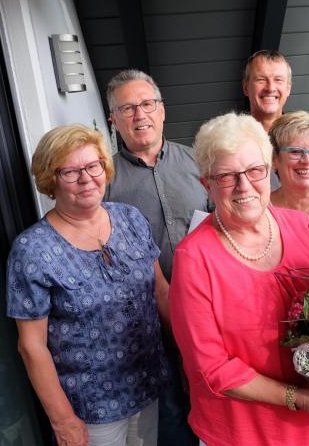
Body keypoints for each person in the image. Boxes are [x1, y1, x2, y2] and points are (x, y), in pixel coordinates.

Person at [169, 112, 309, 446]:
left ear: (268, 168)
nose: (244, 186)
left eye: (254, 171)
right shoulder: (194, 258)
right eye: (227, 176)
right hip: (239, 433)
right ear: (207, 184)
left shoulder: (304, 229)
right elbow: (212, 368)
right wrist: (298, 398)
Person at [6, 124, 170, 446]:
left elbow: (160, 291)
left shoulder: (130, 218)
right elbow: (31, 346)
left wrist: (183, 357)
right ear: (50, 180)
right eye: (70, 171)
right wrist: (63, 420)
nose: (86, 178)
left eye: (93, 165)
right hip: (91, 408)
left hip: (149, 384)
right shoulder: (31, 250)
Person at [104, 69, 206, 446]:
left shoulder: (199, 163)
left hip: (205, 308)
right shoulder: (105, 180)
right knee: (171, 414)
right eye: (127, 108)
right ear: (113, 119)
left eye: (147, 104)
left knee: (215, 397)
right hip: (146, 319)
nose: (139, 114)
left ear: (162, 110)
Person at [243, 50, 309, 189]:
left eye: (278, 80)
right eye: (261, 80)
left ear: (288, 89)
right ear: (245, 87)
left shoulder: (307, 136)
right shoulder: (232, 140)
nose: (270, 88)